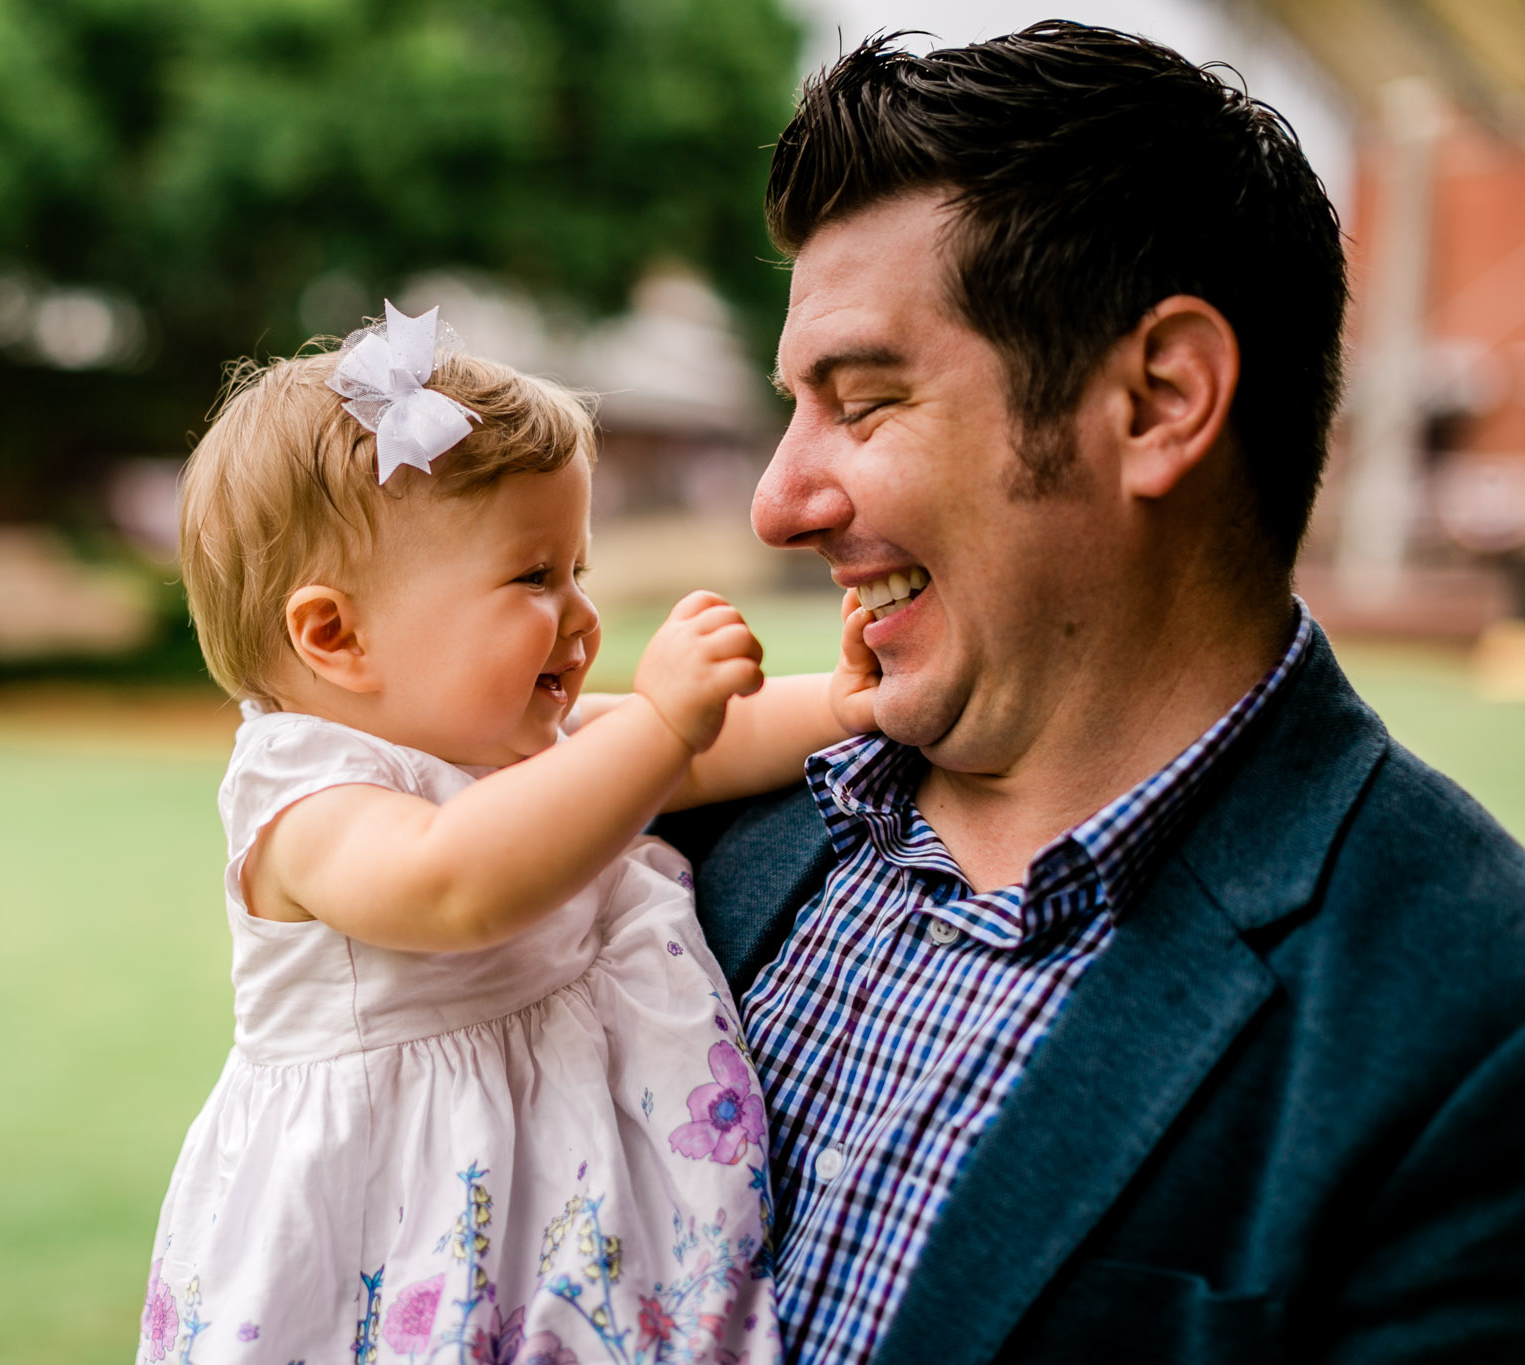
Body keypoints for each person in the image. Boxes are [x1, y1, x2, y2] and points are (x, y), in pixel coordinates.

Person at [657, 22, 1525, 1365]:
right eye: (794, 407)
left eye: (867, 401)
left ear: (1157, 401)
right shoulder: (696, 825)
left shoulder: (1472, 1026)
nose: (780, 503)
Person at [135, 303, 879, 1364]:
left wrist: (843, 704)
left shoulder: (527, 741)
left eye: (575, 566)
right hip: (397, 1226)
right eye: (533, 576)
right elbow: (452, 885)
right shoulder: (303, 797)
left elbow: (707, 748)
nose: (581, 616)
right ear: (335, 635)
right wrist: (662, 722)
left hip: (557, 1198)